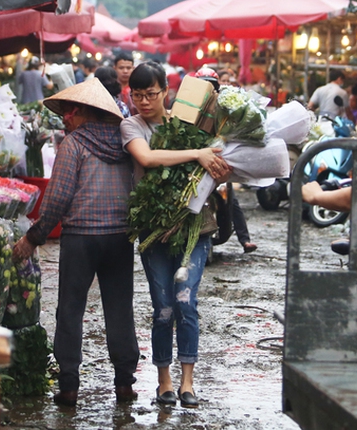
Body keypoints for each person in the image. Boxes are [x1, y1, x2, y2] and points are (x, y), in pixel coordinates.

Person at [12, 78, 140, 407]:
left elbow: (57, 199)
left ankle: (69, 387)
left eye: (70, 111)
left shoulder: (74, 145)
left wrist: (34, 237)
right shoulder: (127, 143)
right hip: (119, 238)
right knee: (119, 309)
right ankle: (125, 384)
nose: (65, 118)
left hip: (81, 238)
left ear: (85, 112)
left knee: (70, 309)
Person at [120, 62, 230, 409]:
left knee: (186, 302)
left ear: (165, 92)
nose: (143, 101)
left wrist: (218, 170)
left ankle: (187, 382)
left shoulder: (187, 124)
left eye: (150, 94)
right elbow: (147, 158)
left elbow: (215, 169)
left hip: (193, 230)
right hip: (154, 229)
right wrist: (197, 154)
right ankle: (163, 380)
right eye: (136, 95)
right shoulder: (131, 125)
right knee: (163, 308)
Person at [212, 68, 257, 254]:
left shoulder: (237, 107)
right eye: (222, 81)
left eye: (228, 81)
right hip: (206, 155)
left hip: (226, 158)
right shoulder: (207, 104)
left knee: (233, 201)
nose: (226, 84)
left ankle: (245, 240)